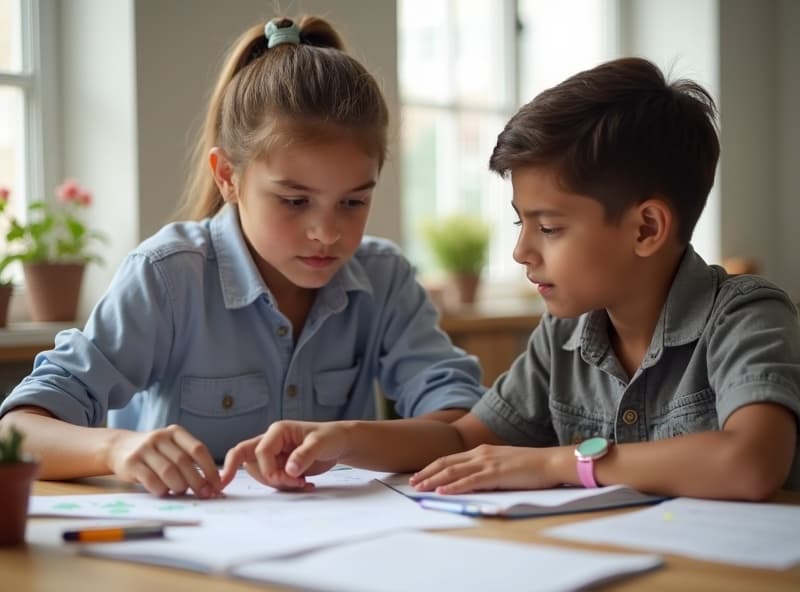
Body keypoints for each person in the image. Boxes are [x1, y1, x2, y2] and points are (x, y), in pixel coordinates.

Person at [221, 57, 800, 500]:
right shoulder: (563, 336)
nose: (521, 251)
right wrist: (343, 438)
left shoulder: (745, 315)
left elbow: (750, 462)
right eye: (522, 222)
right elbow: (461, 438)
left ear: (646, 227)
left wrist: (556, 462)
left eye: (548, 228)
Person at [0, 16, 484, 498]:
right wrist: (114, 449)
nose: (327, 232)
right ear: (228, 175)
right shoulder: (167, 277)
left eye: (354, 201)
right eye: (295, 201)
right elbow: (15, 432)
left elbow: (464, 426)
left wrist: (349, 438)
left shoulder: (385, 278)